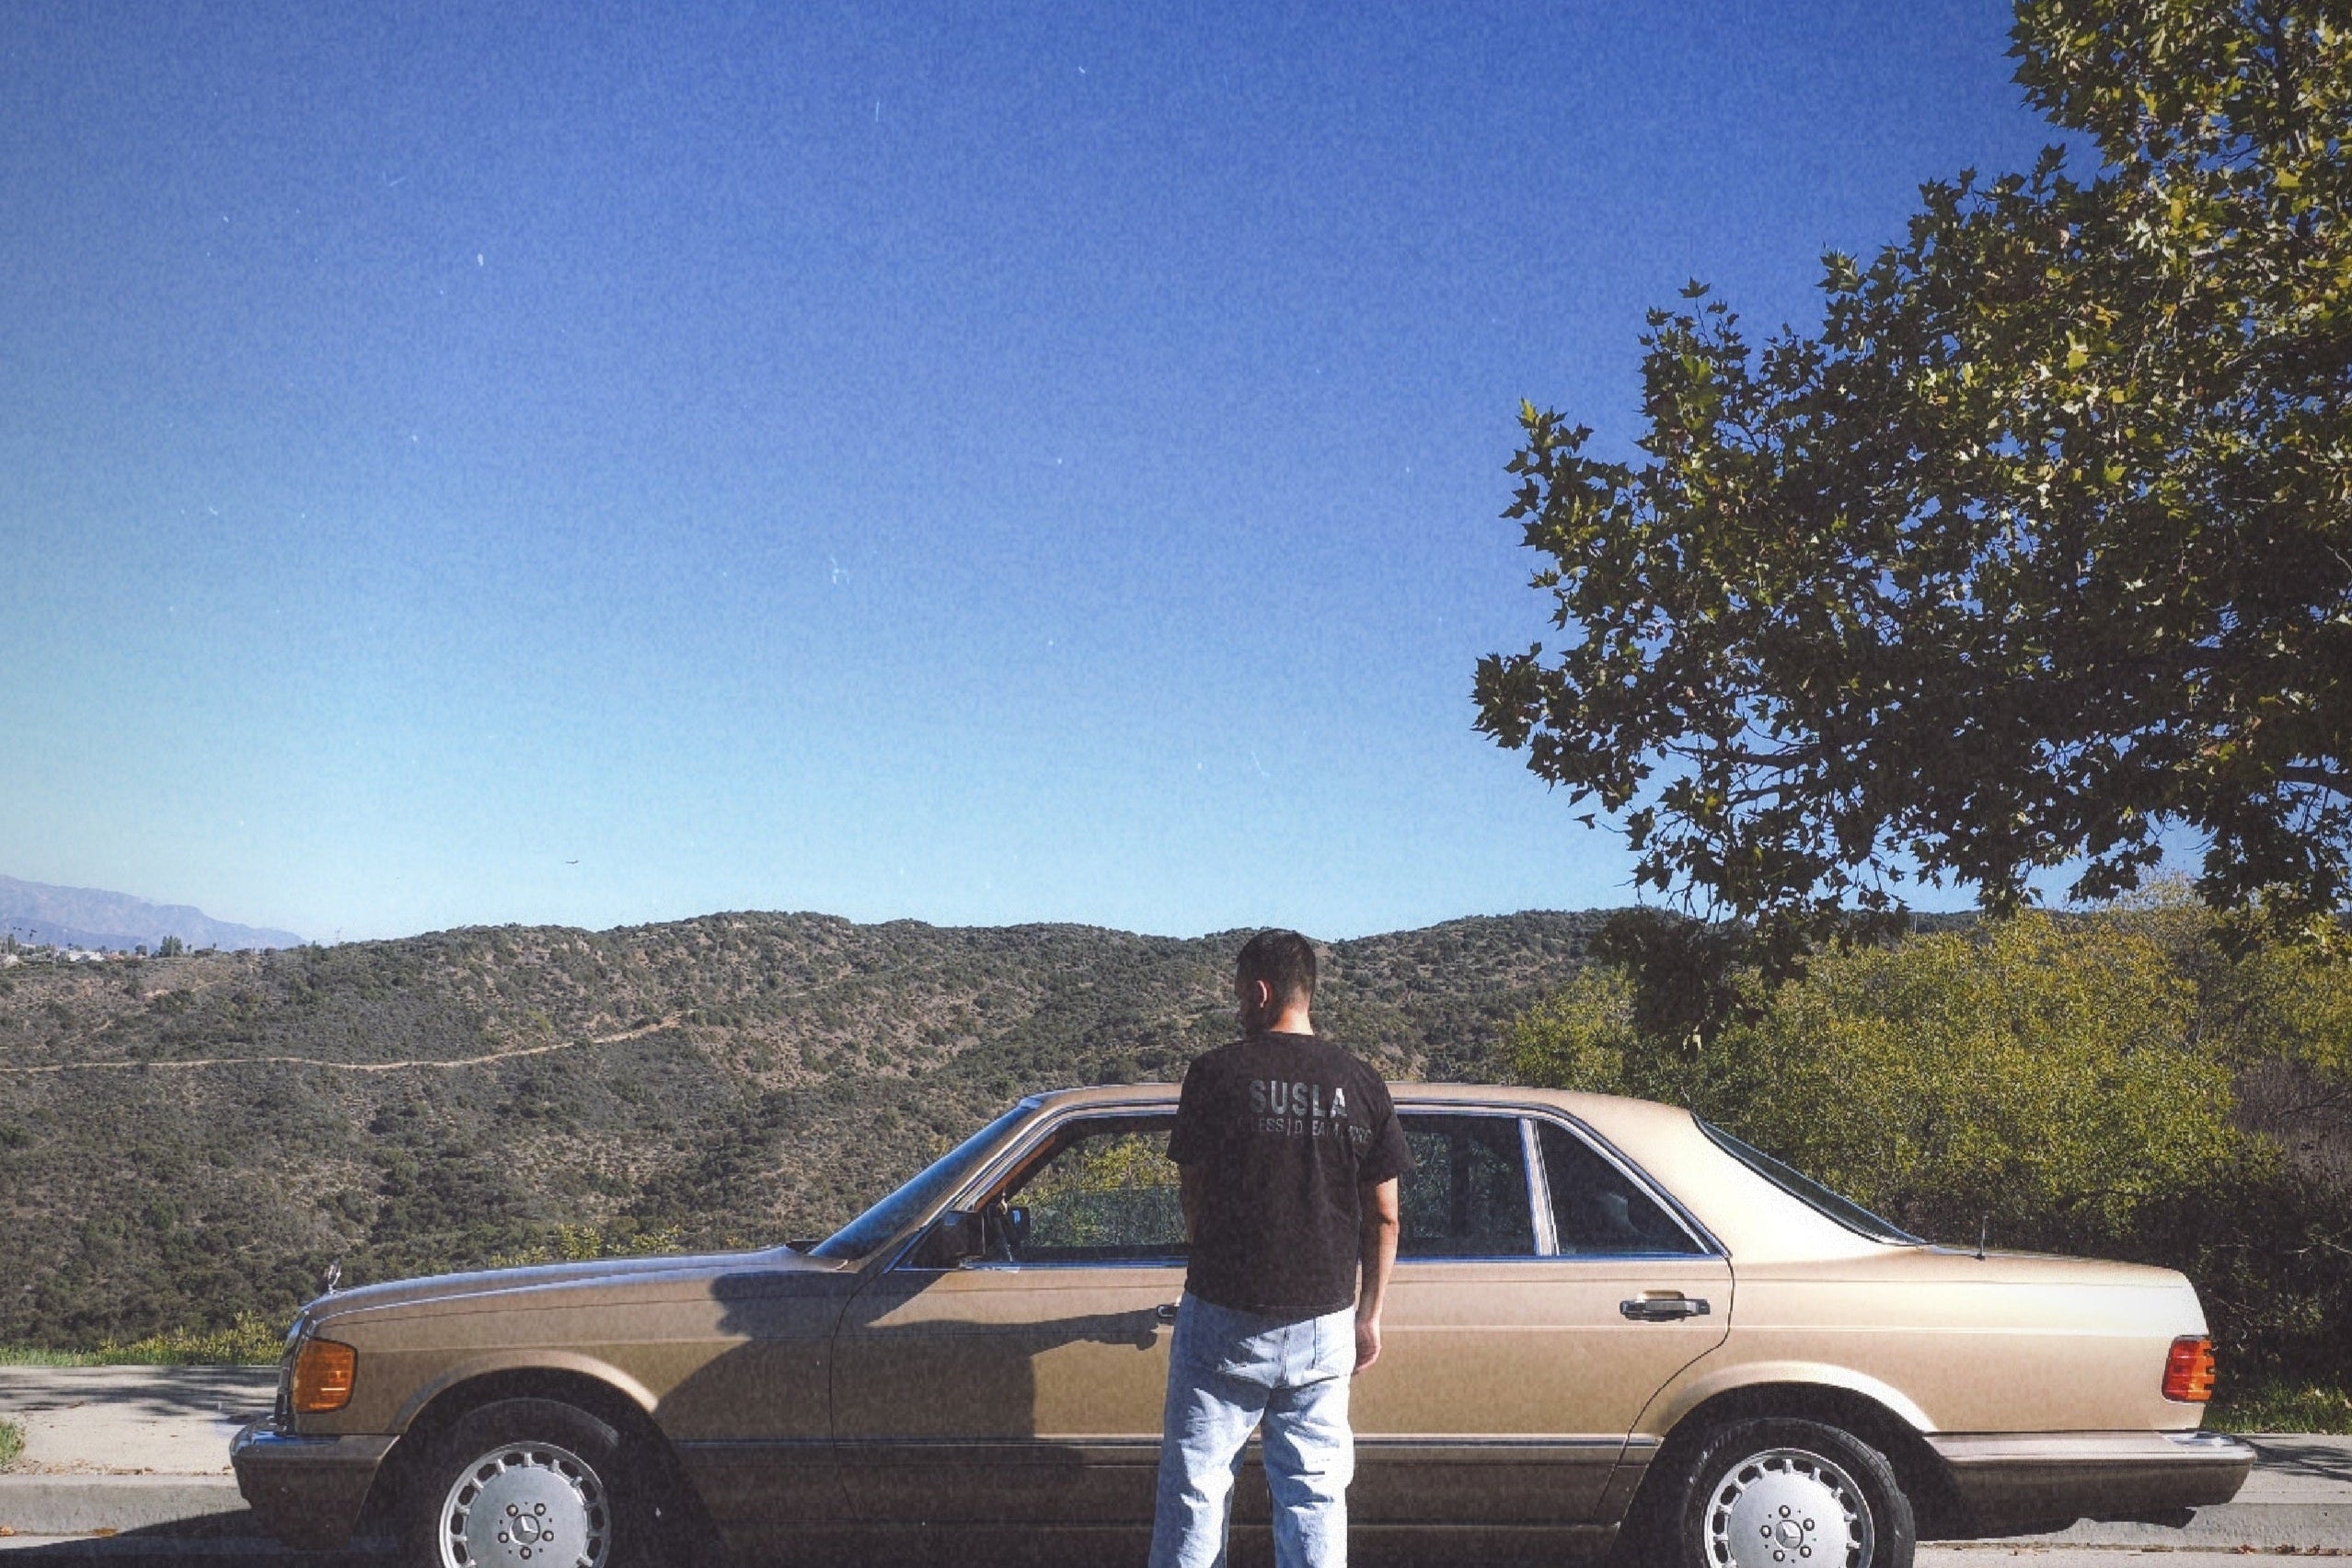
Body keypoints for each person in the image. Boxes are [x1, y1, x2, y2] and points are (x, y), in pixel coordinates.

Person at [1148, 928, 1409, 1568]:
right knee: (1314, 1497)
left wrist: (1210, 1255)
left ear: (1261, 992)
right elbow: (1385, 1216)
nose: (1239, 1007)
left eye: (1241, 994)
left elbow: (1193, 1193)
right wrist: (1369, 1314)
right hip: (1324, 1322)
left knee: (1197, 1492)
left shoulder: (1214, 1074)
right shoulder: (1363, 1082)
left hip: (1224, 1315)